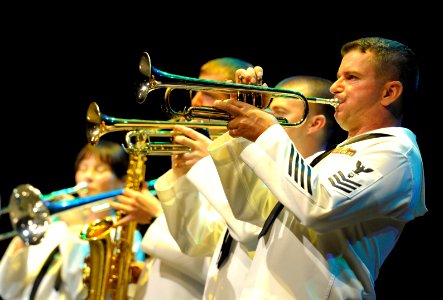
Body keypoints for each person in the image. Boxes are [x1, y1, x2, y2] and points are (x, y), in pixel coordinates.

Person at [208, 37, 427, 299]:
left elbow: (320, 207)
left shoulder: (395, 153)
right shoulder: (330, 158)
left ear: (389, 92)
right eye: (338, 76)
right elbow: (252, 212)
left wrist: (268, 132)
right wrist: (241, 133)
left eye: (351, 77)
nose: (335, 87)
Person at [111, 57, 254, 300]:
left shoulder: (246, 159)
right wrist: (179, 176)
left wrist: (156, 213)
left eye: (206, 93)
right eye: (194, 91)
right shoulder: (198, 155)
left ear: (234, 99)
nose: (195, 101)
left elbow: (219, 257)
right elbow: (193, 242)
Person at [0, 140, 145, 300]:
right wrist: (22, 240)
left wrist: (76, 228)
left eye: (99, 169)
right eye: (83, 168)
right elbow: (6, 290)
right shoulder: (56, 226)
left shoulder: (123, 234)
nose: (88, 176)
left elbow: (81, 292)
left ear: (122, 181)